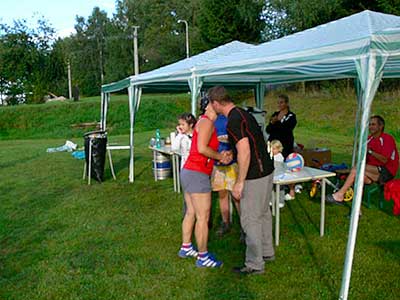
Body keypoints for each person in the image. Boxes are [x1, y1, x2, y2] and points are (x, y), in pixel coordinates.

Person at [209, 85, 275, 275]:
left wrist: (239, 182)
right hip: (267, 169)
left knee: (250, 219)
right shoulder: (243, 113)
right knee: (263, 213)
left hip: (255, 173)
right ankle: (267, 252)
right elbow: (246, 143)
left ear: (215, 103)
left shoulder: (233, 120)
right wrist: (231, 151)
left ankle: (255, 263)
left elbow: (245, 151)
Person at [178, 96, 232, 268]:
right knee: (203, 217)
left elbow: (203, 145)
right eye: (218, 104)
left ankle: (186, 247)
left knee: (191, 212)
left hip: (188, 171)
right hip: (197, 173)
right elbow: (202, 148)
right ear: (211, 106)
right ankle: (203, 256)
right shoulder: (208, 122)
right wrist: (220, 157)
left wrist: (221, 153)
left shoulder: (202, 122)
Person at [327, 115, 399, 205]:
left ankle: (340, 195)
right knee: (358, 177)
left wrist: (369, 151)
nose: (370, 127)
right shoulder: (369, 139)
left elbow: (384, 160)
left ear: (381, 126)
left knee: (356, 169)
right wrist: (360, 148)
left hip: (386, 172)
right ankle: (357, 211)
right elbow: (362, 155)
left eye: (373, 124)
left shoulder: (387, 138)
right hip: (373, 171)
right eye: (369, 125)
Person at [211, 114, 240, 237]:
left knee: (236, 196)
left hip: (232, 162)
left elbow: (240, 140)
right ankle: (225, 222)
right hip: (217, 163)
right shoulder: (211, 119)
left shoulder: (232, 118)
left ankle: (244, 226)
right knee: (222, 194)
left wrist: (231, 153)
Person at [266, 94, 297, 200]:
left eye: (281, 102)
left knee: (287, 166)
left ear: (286, 103)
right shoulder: (275, 114)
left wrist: (277, 122)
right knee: (273, 165)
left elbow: (286, 130)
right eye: (278, 102)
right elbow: (268, 129)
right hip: (273, 145)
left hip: (285, 145)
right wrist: (273, 122)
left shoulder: (291, 116)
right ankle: (274, 189)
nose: (279, 104)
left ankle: (292, 190)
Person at [271, 140, 285, 208]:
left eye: (274, 149)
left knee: (280, 189)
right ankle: (271, 200)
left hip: (279, 175)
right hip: (273, 175)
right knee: (271, 189)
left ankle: (280, 201)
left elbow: (278, 166)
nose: (272, 150)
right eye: (271, 149)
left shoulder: (279, 157)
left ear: (278, 149)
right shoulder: (271, 156)